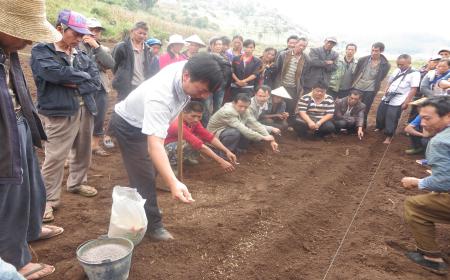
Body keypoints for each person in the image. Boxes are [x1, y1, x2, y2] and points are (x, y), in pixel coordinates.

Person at [109, 53, 227, 241]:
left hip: (148, 121)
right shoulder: (161, 96)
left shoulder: (189, 69)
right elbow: (154, 145)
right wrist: (173, 182)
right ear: (186, 75)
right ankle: (153, 225)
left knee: (152, 169)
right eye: (202, 90)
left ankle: (142, 205)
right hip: (129, 125)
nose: (204, 96)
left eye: (208, 92)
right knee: (144, 175)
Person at [0, 0, 65, 278]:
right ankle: (12, 259)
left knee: (31, 185)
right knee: (10, 194)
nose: (28, 40)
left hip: (18, 120)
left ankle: (30, 229)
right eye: (22, 31)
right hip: (3, 133)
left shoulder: (8, 49)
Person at [31, 9, 102, 223]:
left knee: (83, 151)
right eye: (76, 34)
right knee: (55, 157)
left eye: (82, 34)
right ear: (60, 28)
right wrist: (81, 78)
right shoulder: (42, 51)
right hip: (58, 111)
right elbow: (52, 73)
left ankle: (77, 183)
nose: (80, 38)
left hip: (85, 107)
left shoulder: (81, 52)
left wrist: (73, 80)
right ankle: (47, 200)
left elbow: (96, 80)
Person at [401, 96, 450, 275]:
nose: (422, 123)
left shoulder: (439, 142)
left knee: (415, 206)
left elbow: (444, 181)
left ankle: (432, 259)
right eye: (421, 117)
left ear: (448, 117)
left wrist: (418, 182)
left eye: (427, 118)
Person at [164, 101, 237, 172]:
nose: (196, 119)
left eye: (199, 117)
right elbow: (199, 145)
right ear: (184, 113)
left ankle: (186, 158)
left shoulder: (194, 122)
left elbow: (209, 137)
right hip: (164, 148)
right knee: (191, 143)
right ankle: (172, 164)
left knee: (199, 139)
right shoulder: (177, 125)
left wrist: (227, 151)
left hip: (177, 144)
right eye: (193, 116)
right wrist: (220, 161)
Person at [79, 18, 115, 157]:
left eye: (97, 31)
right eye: (91, 29)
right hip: (84, 87)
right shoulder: (78, 46)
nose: (94, 33)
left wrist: (96, 47)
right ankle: (74, 151)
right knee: (79, 118)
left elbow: (110, 64)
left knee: (99, 117)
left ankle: (94, 146)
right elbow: (84, 65)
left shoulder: (103, 48)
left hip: (101, 86)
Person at [207, 93, 279, 154]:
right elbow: (242, 128)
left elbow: (254, 124)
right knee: (234, 132)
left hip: (225, 130)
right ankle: (222, 153)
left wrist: (269, 138)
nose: (243, 109)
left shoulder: (245, 110)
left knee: (247, 128)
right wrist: (262, 137)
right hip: (213, 135)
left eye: (246, 107)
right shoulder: (228, 111)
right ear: (234, 103)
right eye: (240, 106)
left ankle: (236, 149)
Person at [375, 54, 420, 144]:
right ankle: (380, 127)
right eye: (398, 64)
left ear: (409, 63)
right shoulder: (396, 70)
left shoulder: (414, 73)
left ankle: (389, 135)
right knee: (380, 113)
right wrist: (386, 90)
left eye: (402, 64)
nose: (400, 66)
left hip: (399, 98)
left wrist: (406, 102)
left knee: (391, 117)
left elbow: (413, 89)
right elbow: (390, 81)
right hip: (388, 96)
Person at [112, 21, 157, 101]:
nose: (142, 36)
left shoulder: (148, 50)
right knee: (122, 110)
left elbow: (147, 68)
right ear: (132, 31)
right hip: (126, 86)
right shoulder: (122, 47)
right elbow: (113, 65)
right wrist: (121, 78)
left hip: (142, 86)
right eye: (140, 33)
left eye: (145, 34)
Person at [352, 42, 391, 128]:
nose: (373, 52)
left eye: (376, 51)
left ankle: (361, 126)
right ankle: (350, 125)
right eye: (372, 50)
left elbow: (381, 77)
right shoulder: (363, 60)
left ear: (381, 51)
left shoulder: (385, 65)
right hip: (358, 86)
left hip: (371, 89)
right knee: (353, 105)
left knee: (365, 107)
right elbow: (356, 73)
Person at [275, 37, 309, 124]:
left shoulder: (306, 58)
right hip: (281, 84)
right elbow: (277, 69)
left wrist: (301, 86)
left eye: (304, 46)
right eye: (300, 45)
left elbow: (305, 74)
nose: (301, 47)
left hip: (294, 86)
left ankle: (288, 123)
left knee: (290, 105)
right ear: (295, 44)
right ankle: (277, 121)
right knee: (278, 103)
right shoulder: (283, 54)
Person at [202, 37, 232, 126]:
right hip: (208, 87)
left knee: (218, 108)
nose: (219, 46)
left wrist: (225, 84)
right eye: (217, 44)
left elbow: (228, 72)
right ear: (211, 45)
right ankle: (205, 126)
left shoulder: (225, 57)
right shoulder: (205, 56)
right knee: (206, 108)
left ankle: (214, 126)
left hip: (220, 87)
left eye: (220, 44)